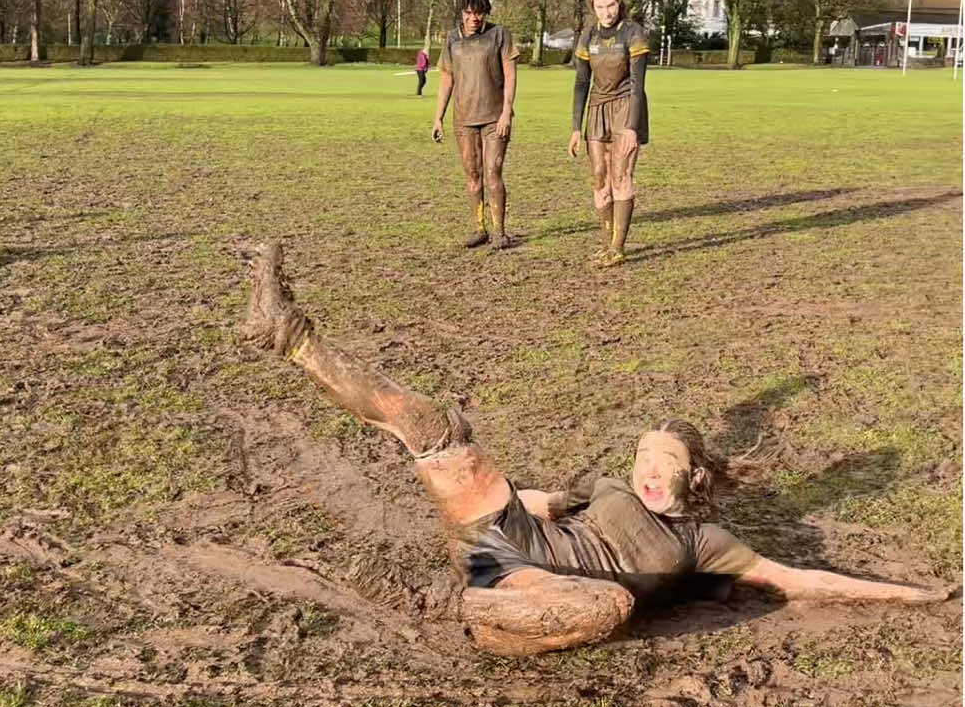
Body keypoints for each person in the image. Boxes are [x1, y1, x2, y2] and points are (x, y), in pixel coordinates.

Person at [244, 241, 948, 658]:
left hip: (549, 590)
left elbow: (800, 579)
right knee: (434, 427)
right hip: (503, 536)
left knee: (609, 605)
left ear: (693, 475)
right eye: (643, 455)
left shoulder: (706, 542)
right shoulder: (606, 487)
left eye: (663, 462)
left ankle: (490, 618)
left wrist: (911, 594)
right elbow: (539, 502)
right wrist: (482, 492)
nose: (646, 469)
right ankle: (289, 333)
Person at [568, 0, 650, 267]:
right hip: (596, 108)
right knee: (600, 177)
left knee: (620, 176)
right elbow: (581, 82)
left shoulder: (633, 34)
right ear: (593, 7)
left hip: (626, 106)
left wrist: (631, 127)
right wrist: (576, 127)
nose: (606, 12)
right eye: (600, 7)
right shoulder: (587, 35)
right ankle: (606, 243)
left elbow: (639, 84)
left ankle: (618, 246)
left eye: (611, 5)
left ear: (620, 3)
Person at [433, 0, 518, 251]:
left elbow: (511, 74)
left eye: (479, 13)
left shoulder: (499, 35)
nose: (474, 18)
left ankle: (500, 232)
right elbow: (447, 79)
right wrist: (438, 118)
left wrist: (507, 111)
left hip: (494, 118)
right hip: (463, 119)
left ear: (485, 14)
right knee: (472, 175)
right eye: (469, 13)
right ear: (462, 13)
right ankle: (479, 228)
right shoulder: (452, 40)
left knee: (493, 172)